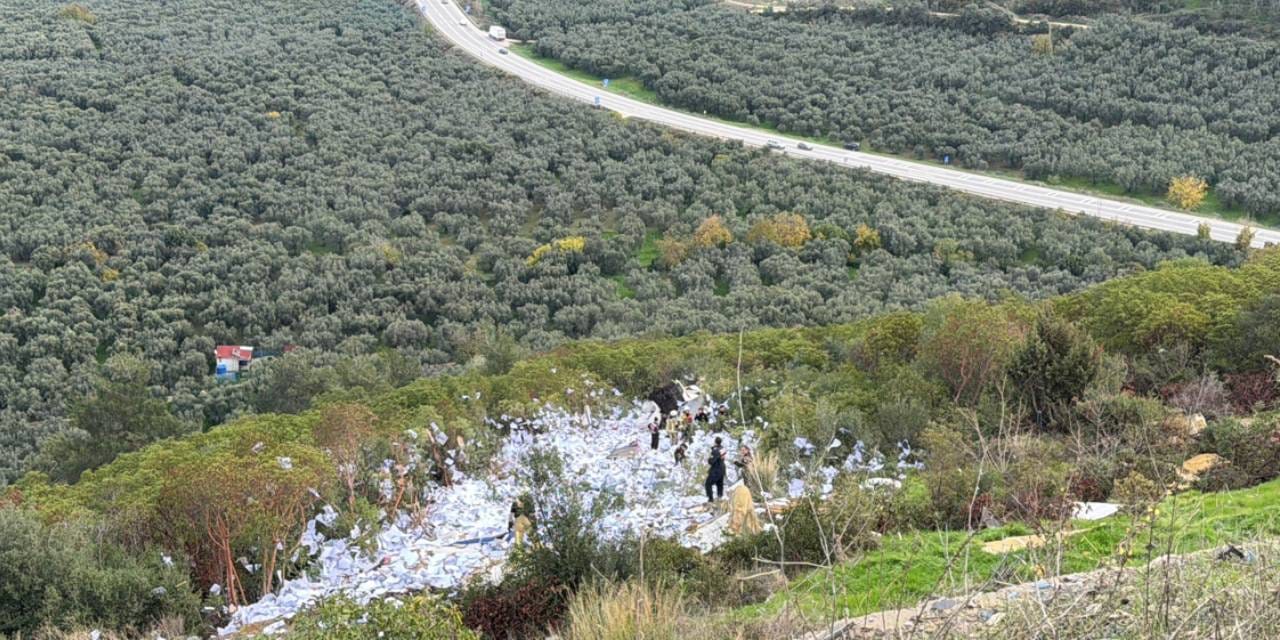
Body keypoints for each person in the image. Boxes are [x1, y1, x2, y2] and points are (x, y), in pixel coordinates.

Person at [705, 437, 726, 502]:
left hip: (716, 470)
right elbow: (722, 457)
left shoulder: (715, 450)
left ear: (715, 442)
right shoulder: (723, 449)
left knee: (708, 484)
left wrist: (709, 459)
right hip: (722, 469)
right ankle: (720, 497)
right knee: (719, 484)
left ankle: (710, 499)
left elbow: (712, 461)